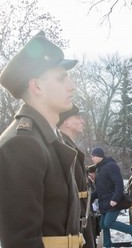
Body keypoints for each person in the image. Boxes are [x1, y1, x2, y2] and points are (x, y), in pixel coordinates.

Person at [0, 32, 82, 247]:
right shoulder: (20, 145)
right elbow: (21, 241)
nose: (71, 85)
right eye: (61, 78)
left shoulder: (48, 139)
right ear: (36, 87)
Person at [58, 104, 95, 248]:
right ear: (66, 122)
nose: (82, 121)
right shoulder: (62, 147)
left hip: (81, 214)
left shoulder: (69, 146)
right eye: (78, 117)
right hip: (74, 217)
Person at [90, 147, 132, 247]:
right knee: (103, 224)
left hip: (113, 201)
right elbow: (99, 189)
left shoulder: (111, 166)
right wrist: (89, 198)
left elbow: (119, 184)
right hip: (104, 203)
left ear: (100, 156)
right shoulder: (98, 168)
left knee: (108, 223)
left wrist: (115, 199)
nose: (92, 158)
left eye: (93, 156)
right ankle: (107, 245)